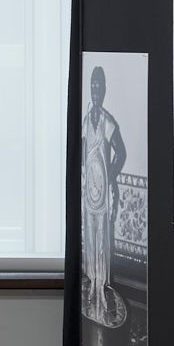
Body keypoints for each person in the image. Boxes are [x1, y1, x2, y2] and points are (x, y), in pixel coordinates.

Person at [79, 66, 128, 329]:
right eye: (92, 86)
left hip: (104, 195)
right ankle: (91, 289)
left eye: (99, 86)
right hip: (89, 195)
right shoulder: (86, 121)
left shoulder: (108, 123)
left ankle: (101, 288)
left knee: (102, 244)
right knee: (90, 240)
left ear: (105, 89)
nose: (95, 90)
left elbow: (121, 154)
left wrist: (110, 176)